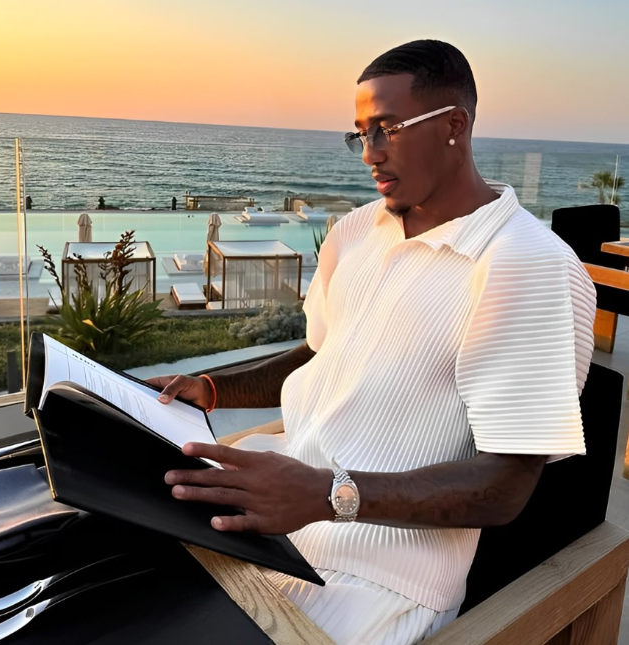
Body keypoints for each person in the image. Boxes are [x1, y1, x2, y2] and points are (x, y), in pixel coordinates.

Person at [150, 40, 596, 645]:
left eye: (387, 129)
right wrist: (210, 388)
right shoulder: (358, 230)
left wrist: (324, 495)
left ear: (454, 125)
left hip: (372, 580)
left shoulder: (528, 265)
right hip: (266, 514)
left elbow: (506, 486)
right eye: (360, 134)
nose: (369, 153)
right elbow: (322, 353)